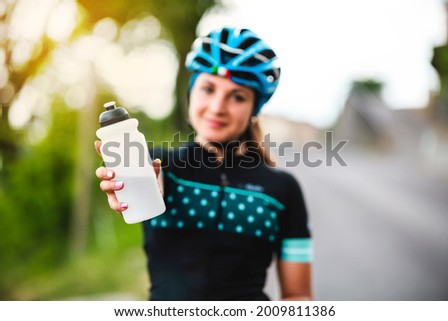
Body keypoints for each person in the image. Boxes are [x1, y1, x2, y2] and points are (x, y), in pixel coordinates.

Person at [95, 27, 313, 300]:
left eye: (237, 96)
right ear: (191, 92)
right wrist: (129, 185)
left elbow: (298, 298)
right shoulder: (159, 165)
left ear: (254, 109)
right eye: (208, 89)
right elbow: (154, 180)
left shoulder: (283, 190)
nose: (218, 106)